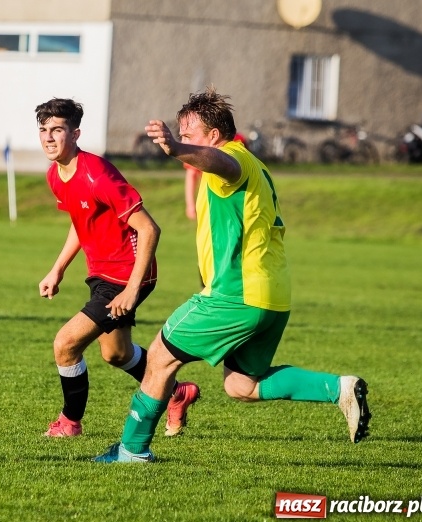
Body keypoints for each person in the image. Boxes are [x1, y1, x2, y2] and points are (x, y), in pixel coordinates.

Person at [94, 87, 371, 463]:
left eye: (189, 134)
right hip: (271, 297)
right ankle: (339, 389)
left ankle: (132, 450)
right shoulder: (255, 165)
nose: (183, 139)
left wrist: (176, 148)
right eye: (180, 134)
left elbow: (220, 162)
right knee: (242, 384)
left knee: (159, 356)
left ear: (213, 136)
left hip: (237, 294)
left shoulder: (231, 161)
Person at [35, 98, 197, 438]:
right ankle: (177, 393)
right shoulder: (56, 175)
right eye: (44, 130)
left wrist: (131, 289)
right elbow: (81, 220)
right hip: (101, 273)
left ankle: (69, 422)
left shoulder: (98, 174)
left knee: (65, 344)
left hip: (127, 274)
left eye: (57, 130)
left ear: (75, 134)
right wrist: (57, 269)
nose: (48, 137)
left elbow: (149, 229)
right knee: (116, 354)